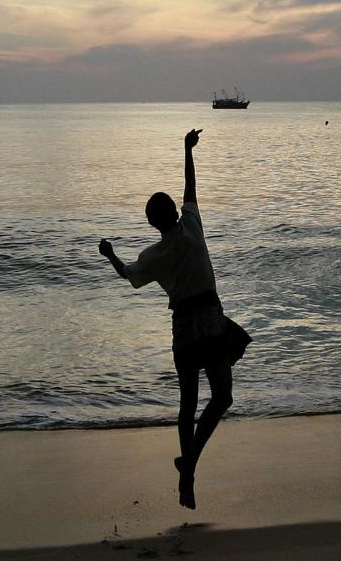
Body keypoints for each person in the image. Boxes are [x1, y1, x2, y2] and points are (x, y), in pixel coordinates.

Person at [98, 128, 250, 510]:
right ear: (175, 212)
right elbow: (190, 187)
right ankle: (190, 464)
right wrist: (187, 149)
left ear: (153, 223)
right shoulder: (193, 226)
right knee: (222, 397)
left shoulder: (153, 256)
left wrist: (110, 255)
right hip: (210, 321)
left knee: (188, 405)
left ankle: (188, 474)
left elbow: (128, 275)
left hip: (184, 328)